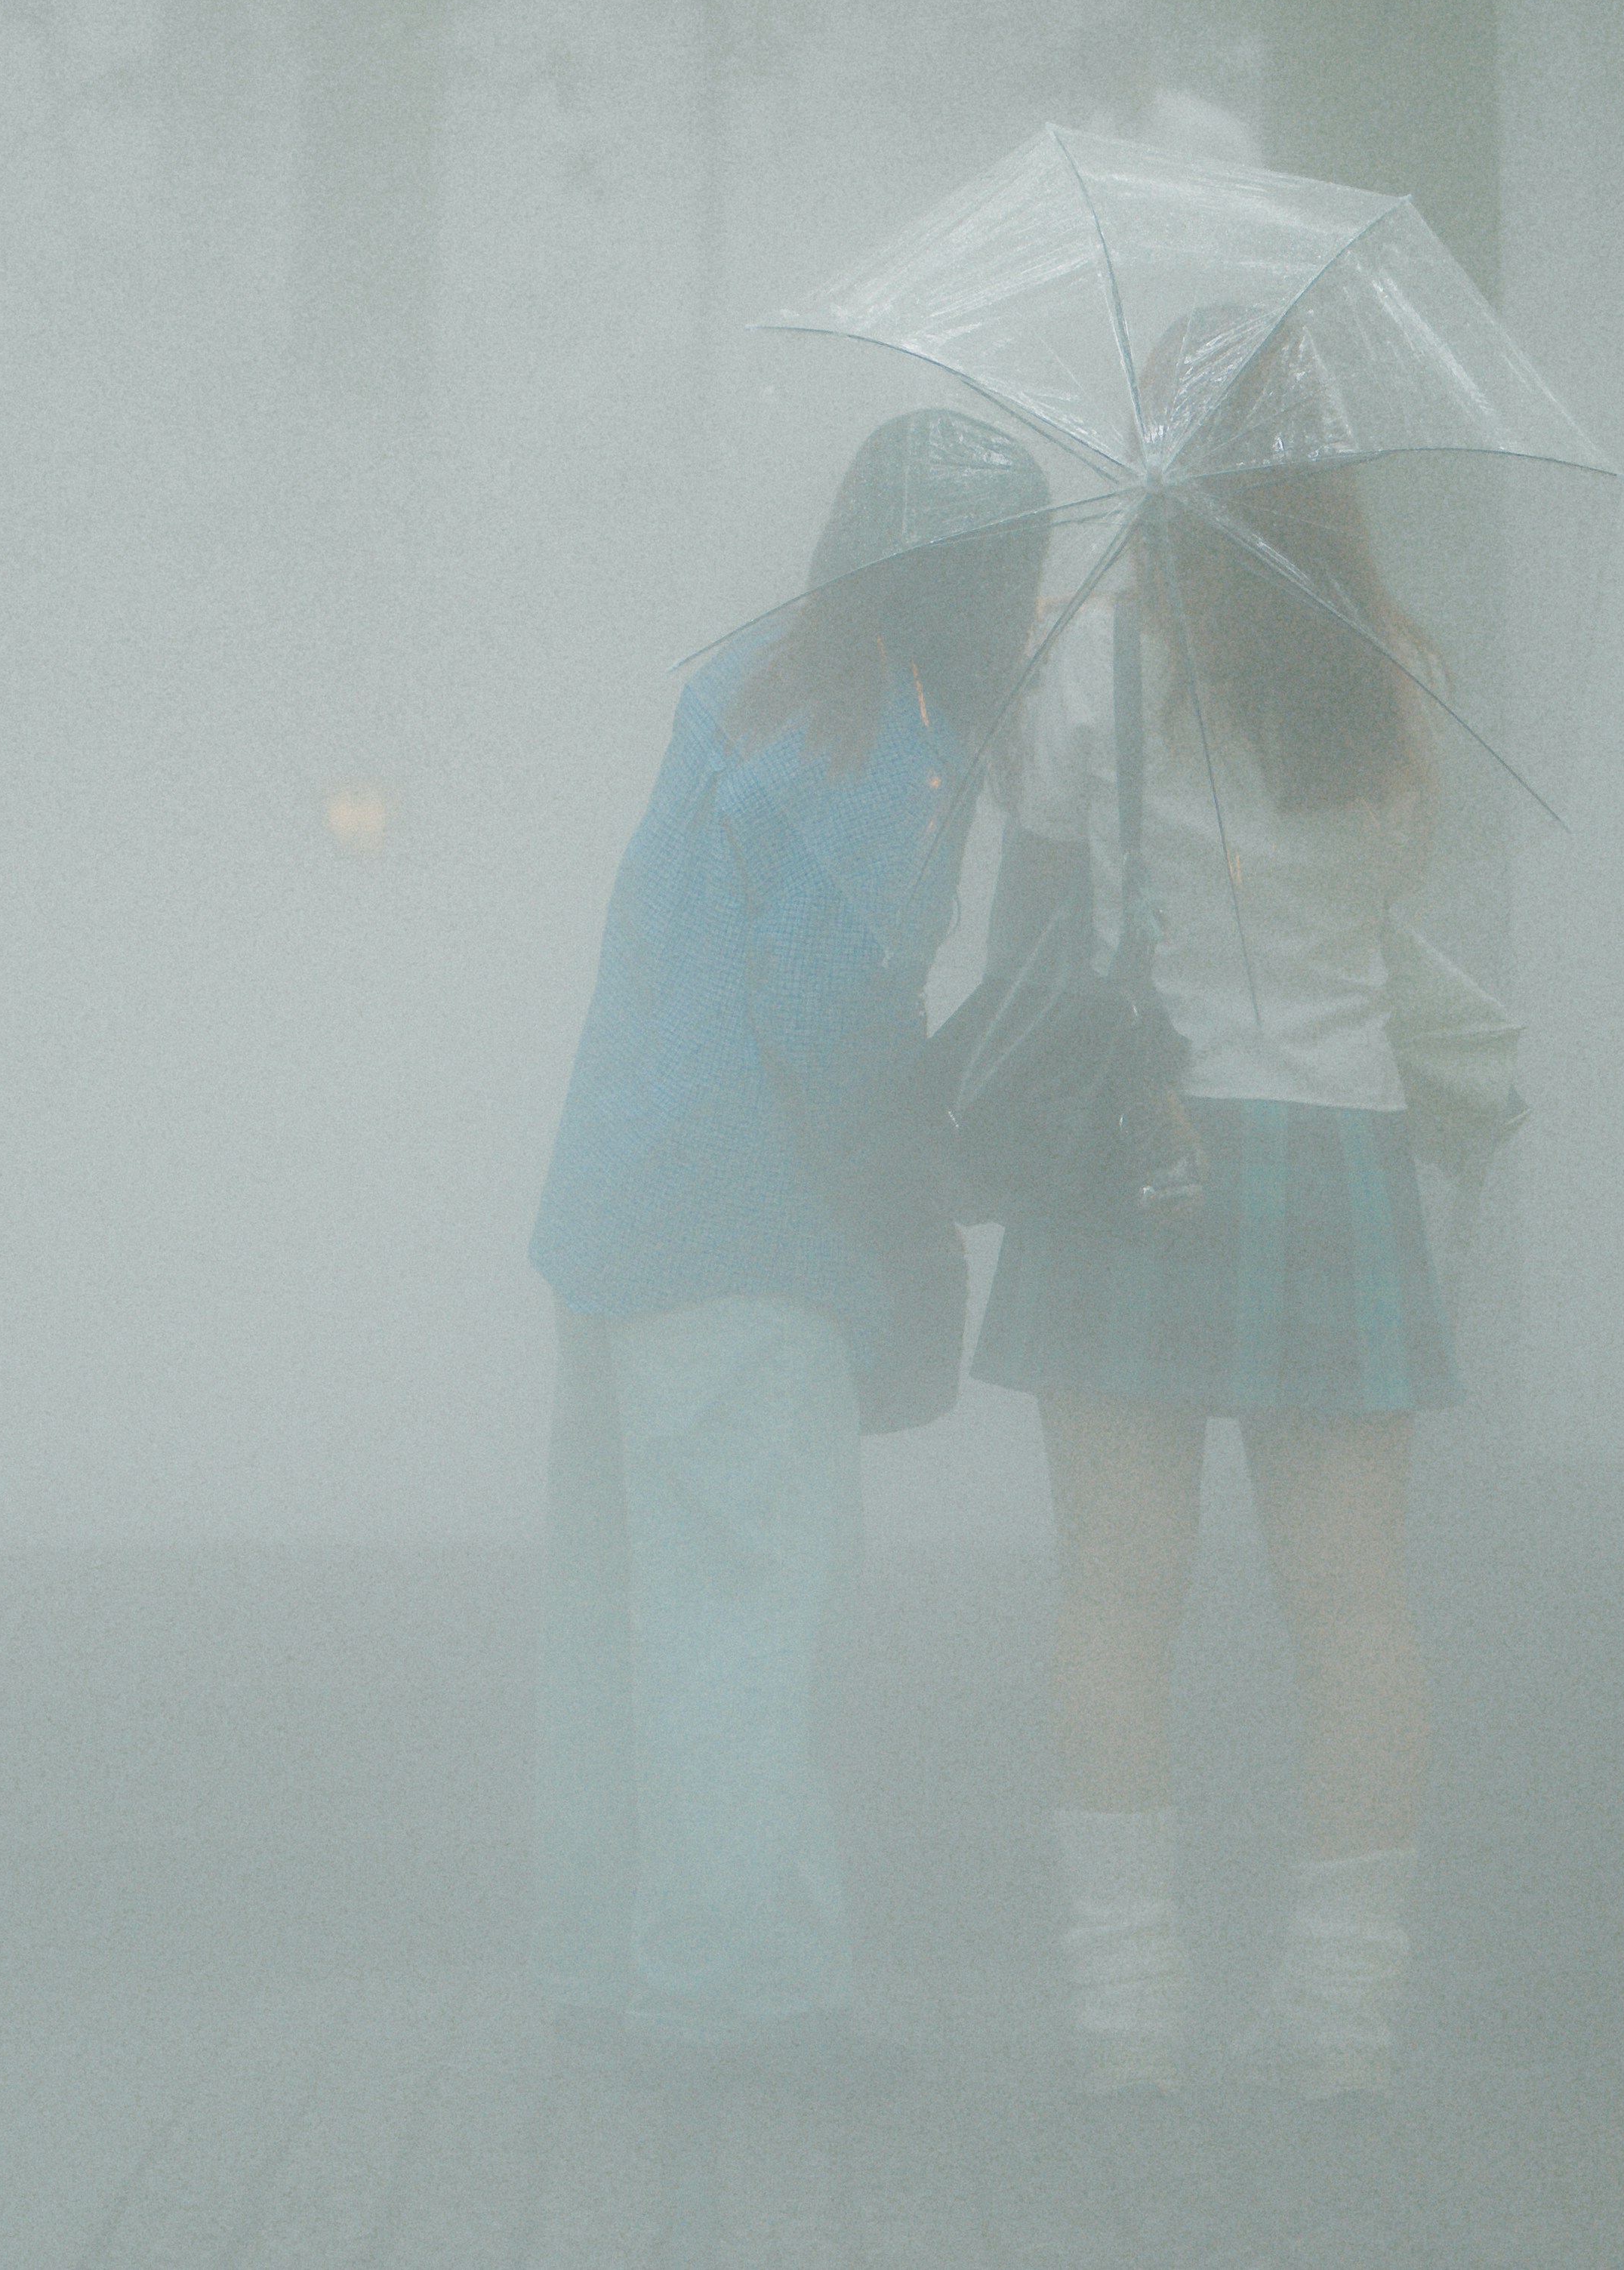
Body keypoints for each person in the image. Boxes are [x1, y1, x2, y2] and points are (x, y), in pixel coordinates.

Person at [525, 408, 1051, 2086]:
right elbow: (831, 1034)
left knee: (627, 1616)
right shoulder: (882, 752)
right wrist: (936, 1173)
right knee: (751, 1623)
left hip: (622, 1220)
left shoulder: (753, 684)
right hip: (751, 1237)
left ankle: (605, 1965)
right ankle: (736, 1999)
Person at [971, 367, 1459, 2102]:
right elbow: (1389, 895)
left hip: (1137, 1147)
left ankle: (1129, 2017)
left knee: (1115, 1590)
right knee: (1354, 1606)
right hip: (1335, 1144)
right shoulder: (1385, 660)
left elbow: (1036, 896)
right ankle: (1342, 2023)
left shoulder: (1093, 650)